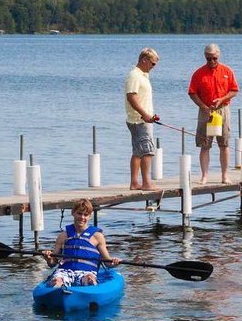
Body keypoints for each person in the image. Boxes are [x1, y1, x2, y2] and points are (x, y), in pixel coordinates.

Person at [187, 43, 239, 184]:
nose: (211, 61)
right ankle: (204, 176)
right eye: (208, 59)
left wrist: (222, 99)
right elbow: (192, 92)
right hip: (206, 110)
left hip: (223, 109)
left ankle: (225, 175)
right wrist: (203, 106)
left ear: (218, 56)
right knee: (205, 144)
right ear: (205, 57)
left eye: (214, 58)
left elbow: (234, 90)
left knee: (224, 144)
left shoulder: (227, 71)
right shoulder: (198, 73)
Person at [40, 198, 119, 287]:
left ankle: (88, 292)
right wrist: (48, 258)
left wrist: (114, 262)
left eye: (85, 214)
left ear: (90, 216)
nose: (82, 217)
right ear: (73, 213)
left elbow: (107, 262)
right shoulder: (63, 236)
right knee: (56, 282)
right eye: (79, 213)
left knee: (89, 280)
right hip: (65, 271)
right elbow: (52, 263)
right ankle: (57, 292)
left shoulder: (97, 236)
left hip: (87, 272)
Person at [125, 47, 161, 191]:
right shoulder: (135, 75)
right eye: (152, 64)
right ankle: (146, 183)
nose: (153, 67)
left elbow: (142, 98)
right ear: (144, 60)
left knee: (138, 151)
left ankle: (134, 183)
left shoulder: (142, 75)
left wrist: (150, 115)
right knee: (147, 151)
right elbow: (131, 97)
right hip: (139, 120)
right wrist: (144, 115)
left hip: (143, 118)